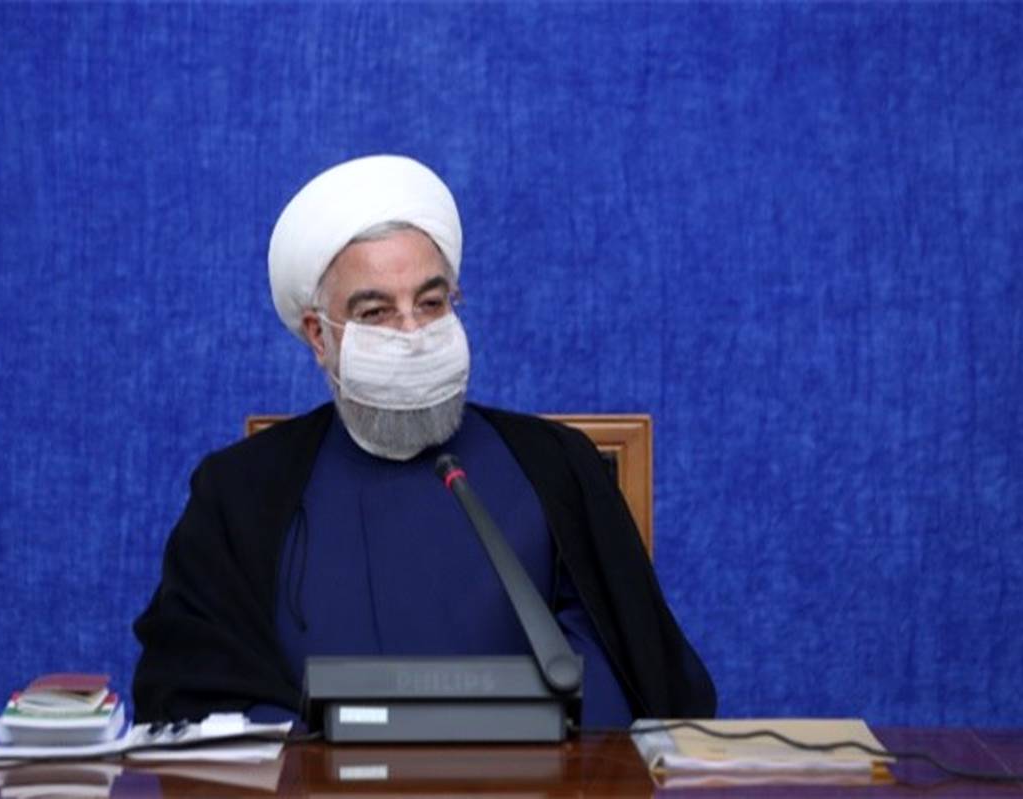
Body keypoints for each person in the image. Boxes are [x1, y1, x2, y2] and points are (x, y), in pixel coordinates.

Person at [132, 155, 715, 728]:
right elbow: (200, 696)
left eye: (431, 303)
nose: (413, 333)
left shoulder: (556, 468)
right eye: (376, 311)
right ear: (319, 337)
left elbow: (620, 692)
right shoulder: (241, 492)